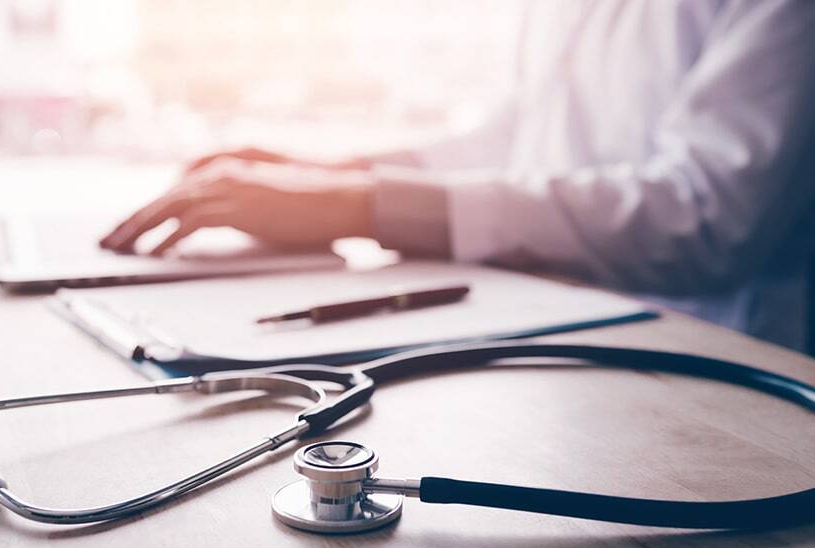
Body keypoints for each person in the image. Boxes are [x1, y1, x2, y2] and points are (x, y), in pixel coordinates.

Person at [101, 1, 815, 351]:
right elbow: (516, 136)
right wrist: (328, 175)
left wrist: (360, 207)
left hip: (708, 364)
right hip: (548, 333)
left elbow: (704, 217)